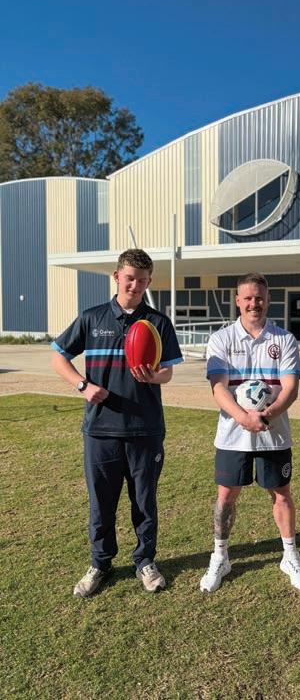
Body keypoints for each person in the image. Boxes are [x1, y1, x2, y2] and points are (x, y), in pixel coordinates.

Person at [51, 249, 182, 598]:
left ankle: (145, 562)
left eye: (142, 280)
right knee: (101, 503)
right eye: (129, 278)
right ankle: (100, 563)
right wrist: (82, 385)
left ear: (149, 282)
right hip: (101, 430)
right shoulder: (92, 318)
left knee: (144, 502)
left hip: (145, 429)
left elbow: (168, 372)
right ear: (116, 277)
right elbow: (59, 356)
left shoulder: (157, 322)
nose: (135, 285)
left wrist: (155, 376)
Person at [200, 272, 300, 592]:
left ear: (268, 300)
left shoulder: (284, 339)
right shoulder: (221, 339)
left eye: (259, 298)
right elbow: (218, 388)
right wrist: (243, 418)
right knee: (226, 496)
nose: (254, 303)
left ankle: (290, 555)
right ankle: (220, 556)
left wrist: (266, 415)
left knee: (281, 493)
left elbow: (290, 388)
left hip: (273, 434)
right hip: (232, 435)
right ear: (238, 301)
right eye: (247, 298)